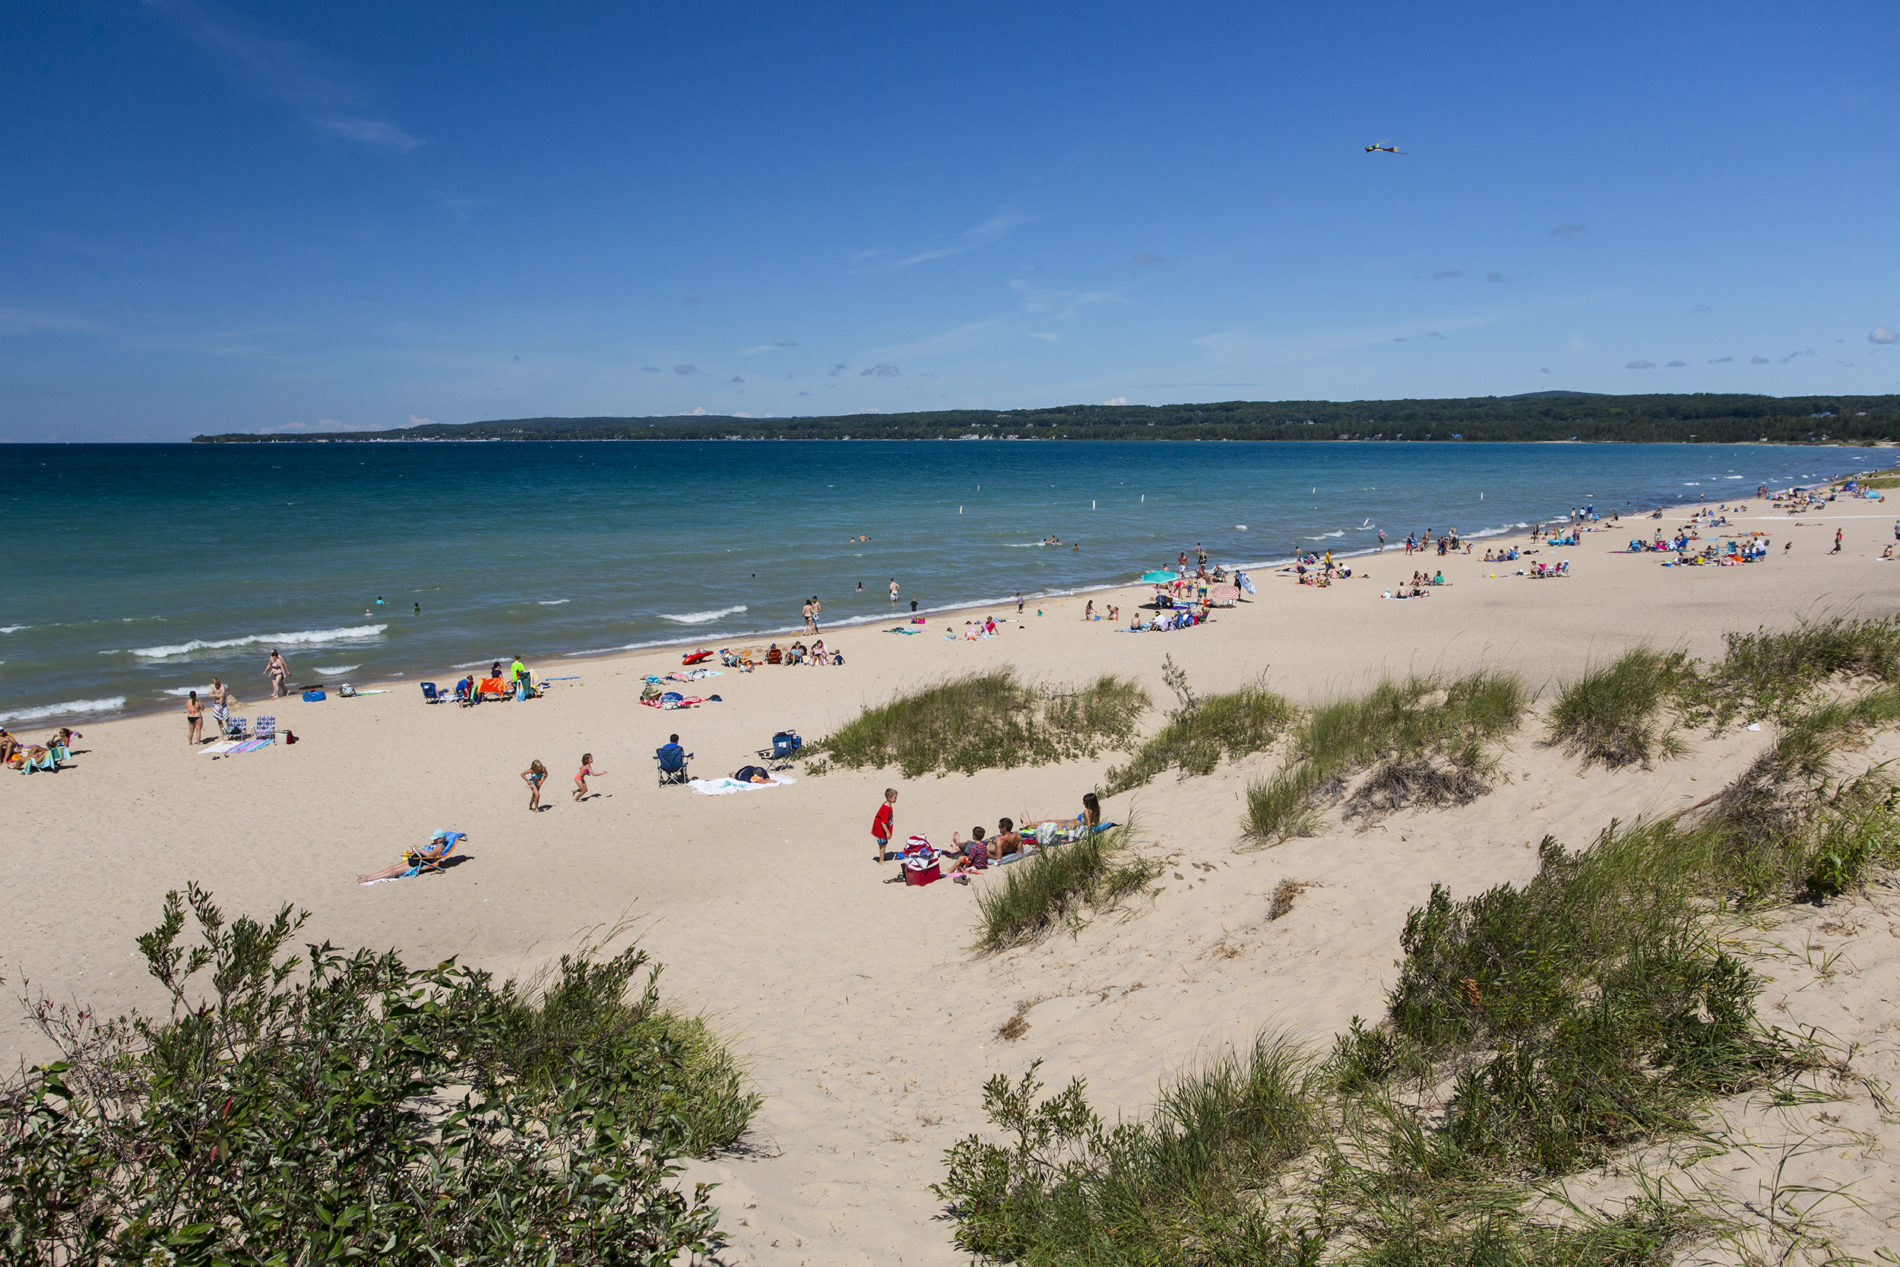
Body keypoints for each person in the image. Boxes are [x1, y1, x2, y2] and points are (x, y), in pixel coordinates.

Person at [357, 831, 464, 884]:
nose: (434, 840)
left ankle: (368, 879)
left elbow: (429, 855)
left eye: (436, 839)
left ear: (440, 839)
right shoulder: (435, 843)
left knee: (394, 871)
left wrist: (418, 848)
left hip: (421, 861)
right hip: (417, 857)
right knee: (391, 868)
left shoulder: (440, 846)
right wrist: (414, 850)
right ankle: (369, 876)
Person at [872, 787, 897, 861]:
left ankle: (882, 857)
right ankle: (881, 861)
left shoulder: (887, 804)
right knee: (883, 845)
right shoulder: (886, 808)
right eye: (895, 798)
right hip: (880, 829)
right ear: (889, 798)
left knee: (883, 843)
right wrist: (887, 832)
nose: (896, 799)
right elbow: (882, 822)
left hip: (882, 828)